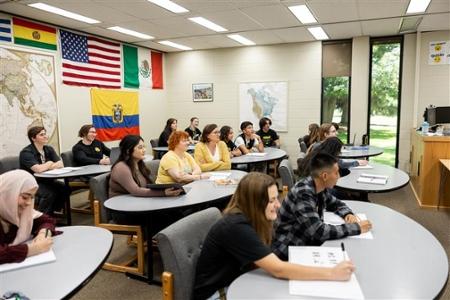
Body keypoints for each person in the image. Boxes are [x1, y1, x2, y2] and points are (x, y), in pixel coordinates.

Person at [194, 172, 355, 300]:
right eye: (272, 201)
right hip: (217, 294)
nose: (278, 205)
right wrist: (331, 273)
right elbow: (278, 269)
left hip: (239, 280)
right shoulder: (236, 227)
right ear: (256, 202)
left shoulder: (251, 218)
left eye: (276, 198)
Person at [272, 152, 372, 260]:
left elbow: (336, 203)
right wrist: (356, 228)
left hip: (306, 240)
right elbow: (318, 231)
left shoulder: (318, 186)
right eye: (336, 173)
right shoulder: (303, 193)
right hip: (290, 249)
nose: (338, 176)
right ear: (324, 176)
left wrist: (347, 214)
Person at [0, 170, 56, 265]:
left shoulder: (19, 212)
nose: (29, 203)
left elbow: (47, 220)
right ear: (8, 194)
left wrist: (43, 234)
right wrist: (34, 249)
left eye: (32, 197)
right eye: (25, 197)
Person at [109, 135, 182, 198]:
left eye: (144, 147)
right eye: (140, 147)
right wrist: (163, 193)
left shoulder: (139, 164)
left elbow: (146, 186)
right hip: (122, 208)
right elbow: (136, 191)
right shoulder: (121, 167)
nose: (144, 150)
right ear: (128, 151)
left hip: (138, 202)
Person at [19, 126, 71, 215]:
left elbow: (61, 164)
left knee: (66, 188)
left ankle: (53, 212)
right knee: (49, 193)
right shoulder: (26, 152)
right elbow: (38, 169)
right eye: (41, 135)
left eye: (45, 134)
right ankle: (40, 218)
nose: (45, 136)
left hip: (46, 181)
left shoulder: (48, 149)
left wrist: (46, 166)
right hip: (31, 183)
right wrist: (50, 162)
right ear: (33, 138)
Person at [298, 137, 367, 178]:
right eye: (339, 150)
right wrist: (357, 162)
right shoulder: (324, 157)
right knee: (343, 172)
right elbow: (341, 164)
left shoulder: (319, 151)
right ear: (334, 149)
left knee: (343, 172)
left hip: (310, 180)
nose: (339, 152)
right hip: (314, 184)